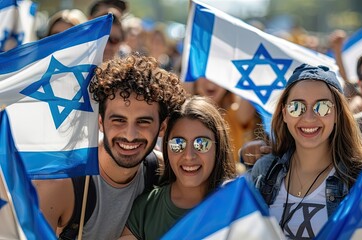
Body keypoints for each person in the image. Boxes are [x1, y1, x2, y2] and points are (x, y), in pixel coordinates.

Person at [33, 54, 187, 239]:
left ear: (162, 127)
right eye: (118, 120)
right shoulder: (60, 184)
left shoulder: (163, 171)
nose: (130, 135)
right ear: (100, 122)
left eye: (143, 122)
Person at [248, 64, 362, 238]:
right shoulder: (264, 170)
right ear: (284, 113)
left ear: (337, 113)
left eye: (322, 107)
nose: (308, 118)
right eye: (296, 107)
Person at [120, 96, 237, 239]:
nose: (189, 155)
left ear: (218, 147)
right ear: (166, 147)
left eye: (201, 143)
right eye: (178, 144)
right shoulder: (145, 209)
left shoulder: (237, 205)